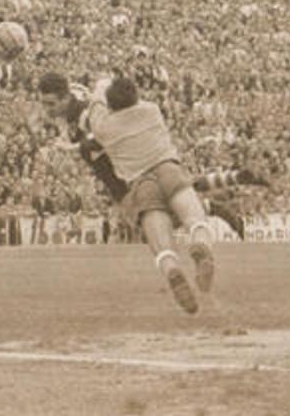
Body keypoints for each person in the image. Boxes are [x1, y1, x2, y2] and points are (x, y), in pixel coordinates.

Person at [35, 72, 267, 241]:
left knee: (155, 221)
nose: (48, 109)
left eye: (51, 103)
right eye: (44, 104)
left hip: (124, 174)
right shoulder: (75, 107)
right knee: (175, 192)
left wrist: (74, 147)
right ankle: (233, 179)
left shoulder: (84, 115)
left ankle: (214, 207)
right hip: (124, 169)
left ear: (66, 97)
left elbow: (104, 137)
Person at [69, 76, 216, 314]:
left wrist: (101, 86)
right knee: (197, 221)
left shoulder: (103, 127)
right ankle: (200, 247)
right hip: (169, 169)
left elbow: (95, 103)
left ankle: (172, 271)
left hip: (140, 184)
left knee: (162, 247)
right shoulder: (152, 111)